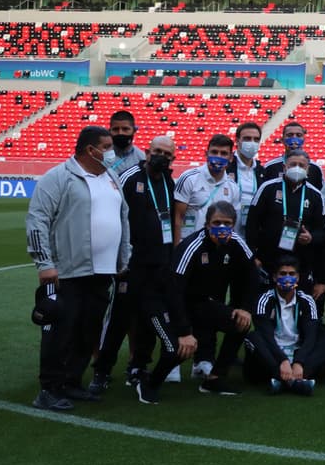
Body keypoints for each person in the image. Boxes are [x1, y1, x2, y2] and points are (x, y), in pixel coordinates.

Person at [26, 126, 131, 412]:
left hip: (103, 271)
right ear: (90, 150)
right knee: (61, 330)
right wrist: (44, 263)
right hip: (68, 271)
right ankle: (49, 388)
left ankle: (72, 381)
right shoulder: (58, 177)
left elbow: (123, 218)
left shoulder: (111, 177)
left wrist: (124, 257)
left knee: (89, 330)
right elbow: (37, 220)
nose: (112, 152)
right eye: (107, 146)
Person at [137, 201, 254, 402]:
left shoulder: (236, 242)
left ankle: (215, 379)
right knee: (178, 347)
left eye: (227, 223)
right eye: (217, 222)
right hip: (161, 301)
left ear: (233, 225)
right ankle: (148, 383)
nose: (222, 228)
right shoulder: (193, 246)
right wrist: (184, 332)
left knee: (240, 323)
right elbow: (174, 290)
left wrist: (245, 308)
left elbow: (252, 274)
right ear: (207, 224)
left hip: (194, 303)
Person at [93, 134, 176, 392]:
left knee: (149, 319)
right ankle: (102, 371)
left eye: (167, 154)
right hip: (131, 265)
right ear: (147, 152)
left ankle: (139, 367)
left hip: (159, 265)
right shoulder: (130, 178)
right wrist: (119, 259)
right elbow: (115, 215)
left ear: (172, 158)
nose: (161, 157)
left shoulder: (169, 182)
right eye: (157, 151)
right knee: (119, 319)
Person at [245, 255, 325, 395]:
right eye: (282, 274)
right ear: (275, 277)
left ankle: (284, 380)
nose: (287, 277)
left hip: (297, 351)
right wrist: (282, 360)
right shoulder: (264, 300)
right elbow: (266, 336)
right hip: (273, 351)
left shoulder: (307, 300)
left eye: (291, 274)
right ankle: (295, 381)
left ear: (298, 278)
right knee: (252, 337)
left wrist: (299, 362)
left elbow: (310, 336)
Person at [246, 148, 325, 300]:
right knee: (267, 301)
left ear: (308, 169)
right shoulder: (267, 188)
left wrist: (311, 237)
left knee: (298, 302)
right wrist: (253, 255)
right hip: (269, 258)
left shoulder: (316, 195)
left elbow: (322, 232)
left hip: (301, 260)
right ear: (284, 167)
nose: (297, 168)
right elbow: (252, 223)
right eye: (293, 164)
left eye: (301, 165)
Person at [173, 134, 242, 241]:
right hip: (189, 244)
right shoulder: (189, 178)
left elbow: (232, 224)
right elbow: (177, 217)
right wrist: (177, 249)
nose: (218, 156)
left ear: (231, 158)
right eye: (214, 152)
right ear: (206, 154)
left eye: (223, 153)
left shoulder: (233, 188)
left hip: (216, 246)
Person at [262, 121, 325, 190]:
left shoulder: (315, 168)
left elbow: (321, 195)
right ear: (282, 140)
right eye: (290, 135)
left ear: (304, 140)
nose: (294, 139)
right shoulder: (270, 167)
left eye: (298, 135)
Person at [228, 122, 266, 228]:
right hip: (228, 229)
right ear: (237, 141)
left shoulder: (262, 171)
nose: (252, 143)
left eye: (256, 139)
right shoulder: (226, 167)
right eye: (247, 138)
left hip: (252, 229)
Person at [108, 109, 145, 175]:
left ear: (134, 130)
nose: (120, 133)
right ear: (109, 131)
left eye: (125, 129)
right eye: (116, 129)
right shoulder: (101, 158)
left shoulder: (143, 159)